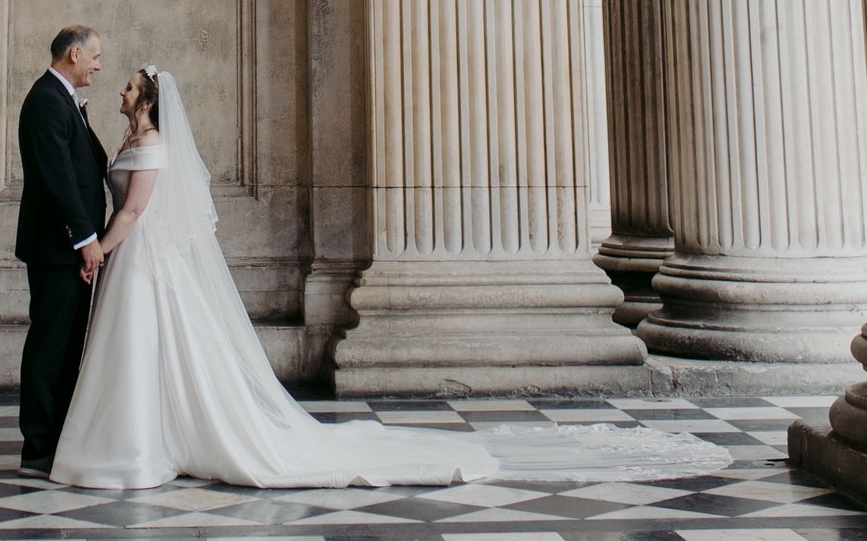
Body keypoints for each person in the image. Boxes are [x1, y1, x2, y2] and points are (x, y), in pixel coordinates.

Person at [48, 65, 735, 491]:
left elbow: (136, 210)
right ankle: (137, 441)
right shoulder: (137, 139)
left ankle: (134, 446)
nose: (120, 86)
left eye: (129, 82)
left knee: (150, 352)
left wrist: (99, 249)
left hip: (136, 259)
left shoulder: (155, 144)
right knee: (146, 356)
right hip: (135, 262)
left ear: (147, 98)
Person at [15, 25, 109, 479]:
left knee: (69, 346)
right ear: (74, 53)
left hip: (69, 251)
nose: (98, 65)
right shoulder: (45, 101)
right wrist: (85, 239)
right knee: (50, 347)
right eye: (94, 56)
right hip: (58, 249)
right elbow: (58, 180)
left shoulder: (62, 98)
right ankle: (37, 447)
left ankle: (58, 440)